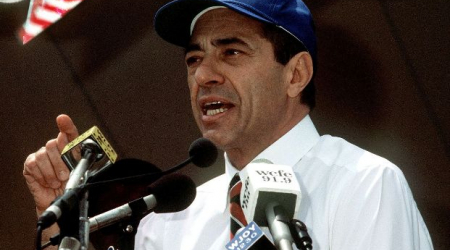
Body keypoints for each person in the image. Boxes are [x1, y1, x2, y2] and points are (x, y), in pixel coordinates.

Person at [23, 0, 433, 249]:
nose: (203, 76)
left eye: (232, 52)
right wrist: (58, 227)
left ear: (295, 74)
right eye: (193, 59)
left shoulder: (365, 184)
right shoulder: (168, 222)